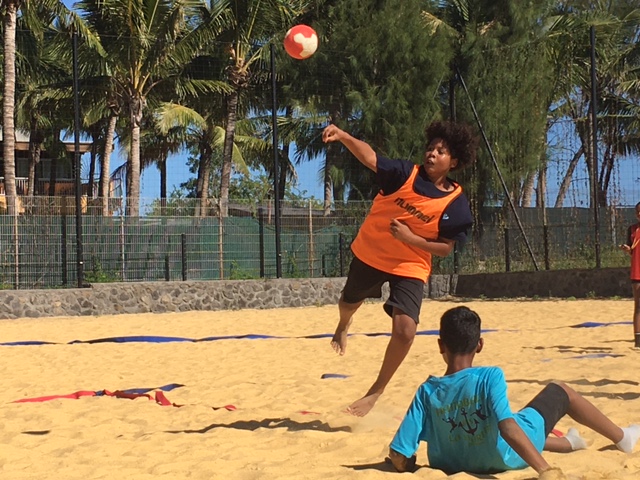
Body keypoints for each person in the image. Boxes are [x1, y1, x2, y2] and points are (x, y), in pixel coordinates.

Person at [321, 121, 477, 416]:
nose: (432, 153)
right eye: (430, 148)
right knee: (347, 303)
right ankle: (343, 325)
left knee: (406, 331)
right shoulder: (405, 173)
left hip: (411, 262)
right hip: (372, 252)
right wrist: (342, 135)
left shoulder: (455, 203)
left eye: (441, 151)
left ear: (453, 162)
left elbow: (445, 248)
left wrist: (412, 239)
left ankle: (375, 392)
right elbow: (370, 157)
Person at [387, 306, 640, 478]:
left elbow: (398, 454)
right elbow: (508, 429)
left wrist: (411, 468)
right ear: (480, 345)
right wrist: (545, 471)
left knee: (503, 420)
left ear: (440, 345)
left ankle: (569, 443)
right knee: (560, 391)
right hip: (503, 458)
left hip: (452, 464)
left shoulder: (427, 390)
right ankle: (621, 437)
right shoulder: (489, 376)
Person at [619, 201, 640, 348]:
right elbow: (632, 250)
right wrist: (627, 250)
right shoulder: (632, 229)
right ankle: (638, 340)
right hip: (637, 272)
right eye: (638, 211)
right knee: (638, 306)